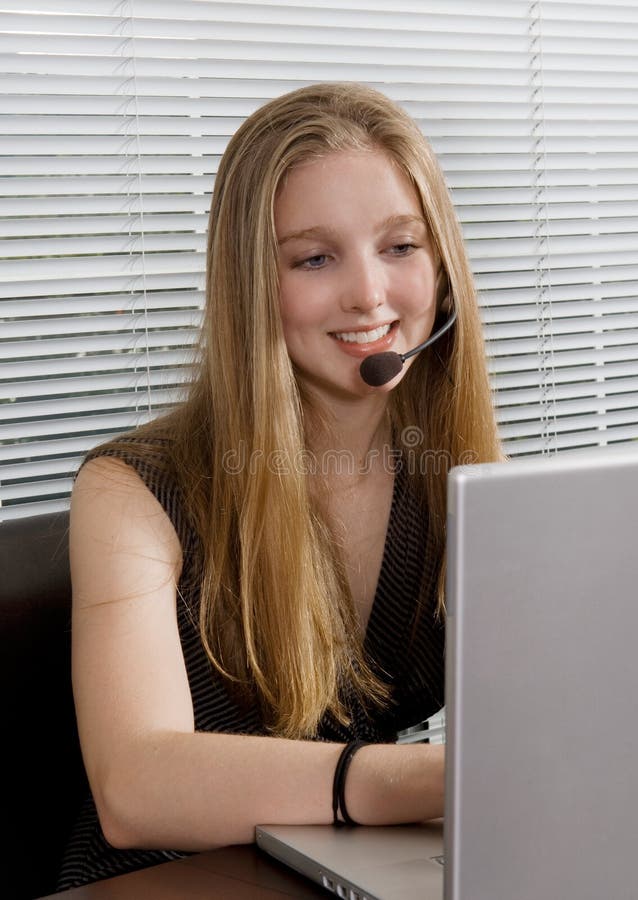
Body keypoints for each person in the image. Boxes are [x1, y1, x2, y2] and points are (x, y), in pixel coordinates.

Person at [58, 81, 502, 889]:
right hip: (174, 882)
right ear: (252, 285)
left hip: (359, 871)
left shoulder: (450, 476)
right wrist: (424, 780)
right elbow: (134, 785)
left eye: (400, 246)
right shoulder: (130, 492)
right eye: (315, 257)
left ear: (442, 268)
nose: (369, 293)